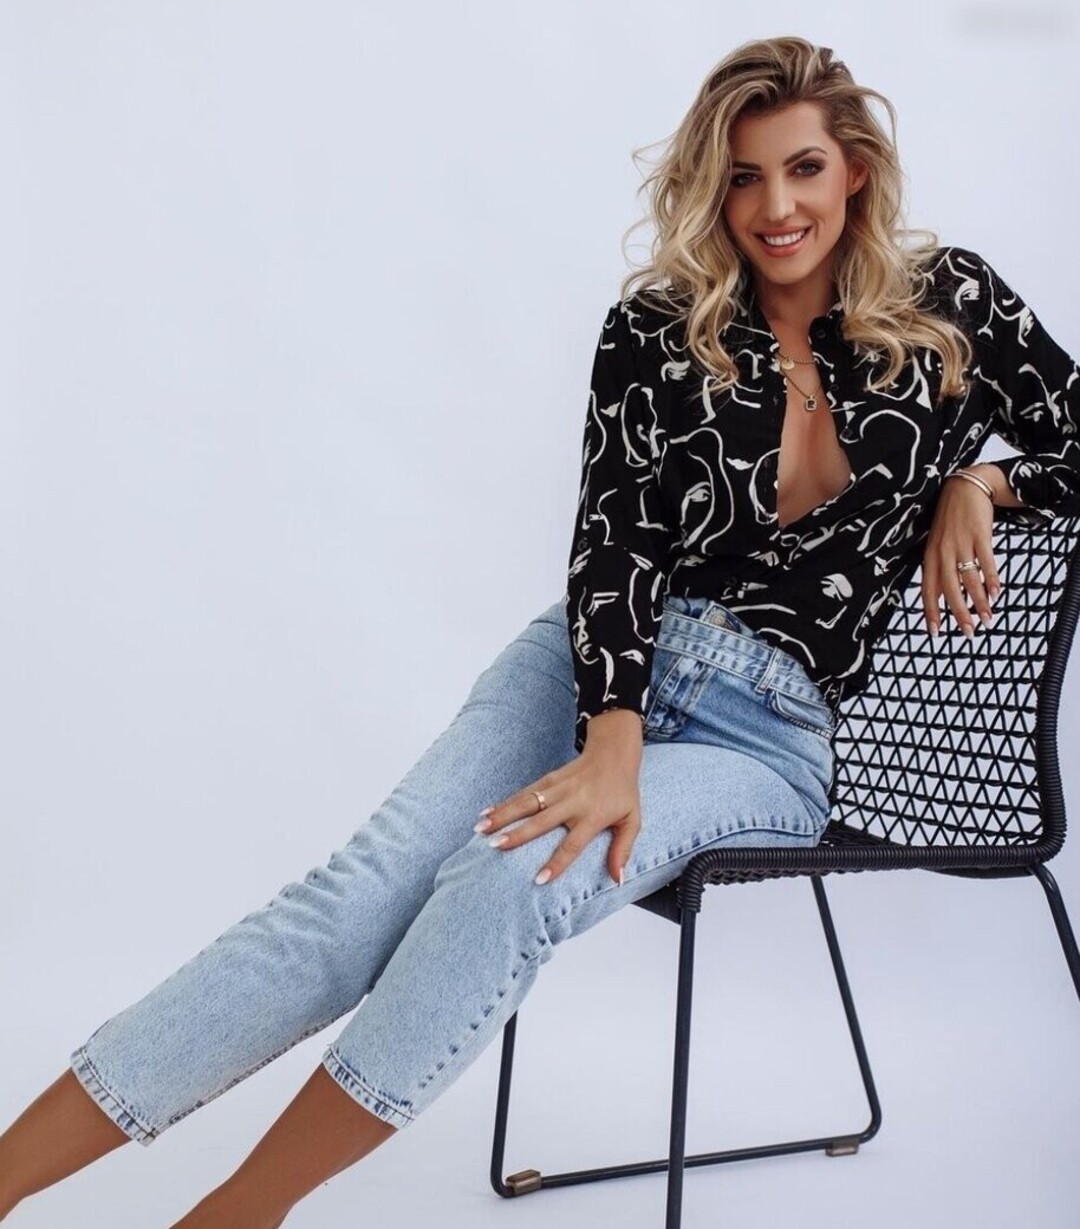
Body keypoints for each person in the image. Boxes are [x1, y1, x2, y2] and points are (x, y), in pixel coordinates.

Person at [3, 33, 1079, 1229]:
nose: (776, 207)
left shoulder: (950, 307)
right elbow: (613, 542)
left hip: (768, 734)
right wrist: (611, 734)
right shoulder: (658, 328)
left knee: (508, 881)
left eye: (804, 168)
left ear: (856, 170)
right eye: (743, 177)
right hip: (589, 667)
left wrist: (984, 480)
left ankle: (234, 1215)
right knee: (349, 904)